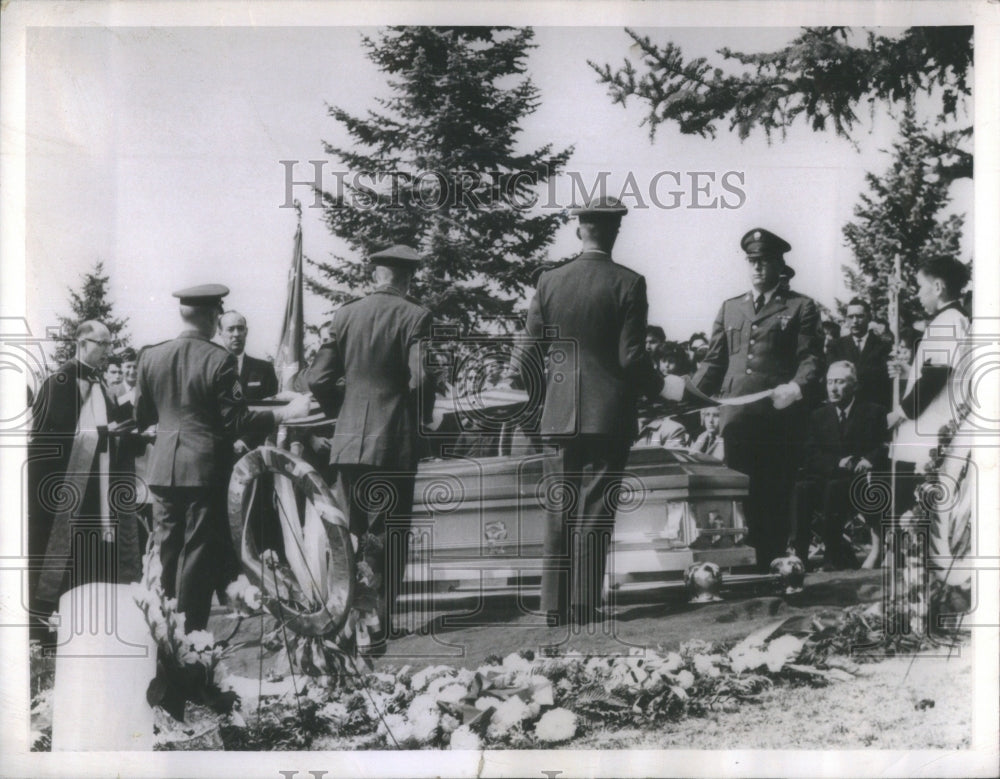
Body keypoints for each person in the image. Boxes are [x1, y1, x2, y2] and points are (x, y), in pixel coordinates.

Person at [513, 197, 687, 627]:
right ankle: (583, 604)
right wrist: (665, 385)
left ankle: (553, 605)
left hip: (558, 414)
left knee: (560, 507)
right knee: (594, 510)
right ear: (615, 233)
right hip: (607, 416)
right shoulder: (629, 283)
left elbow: (526, 358)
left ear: (579, 231)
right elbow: (631, 359)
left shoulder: (549, 282)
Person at [135, 285, 309, 631]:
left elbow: (143, 417)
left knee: (167, 559)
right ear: (215, 317)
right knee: (197, 559)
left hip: (163, 471)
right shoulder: (220, 360)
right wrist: (284, 414)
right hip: (203, 471)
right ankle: (191, 648)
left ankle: (164, 645)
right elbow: (237, 422)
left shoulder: (150, 356)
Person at [291, 245, 435, 652]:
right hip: (393, 441)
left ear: (376, 276)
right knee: (389, 531)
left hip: (350, 441)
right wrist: (420, 418)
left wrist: (348, 409)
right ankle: (378, 624)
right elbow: (421, 380)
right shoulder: (416, 316)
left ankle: (350, 620)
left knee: (352, 531)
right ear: (408, 279)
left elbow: (317, 377)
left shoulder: (345, 314)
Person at [692, 228, 823, 571]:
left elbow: (810, 357)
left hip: (777, 417)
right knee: (739, 491)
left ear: (780, 265)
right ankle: (742, 567)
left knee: (775, 493)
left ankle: (774, 568)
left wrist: (797, 386)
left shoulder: (800, 307)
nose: (758, 267)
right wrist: (689, 394)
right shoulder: (731, 307)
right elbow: (714, 361)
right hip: (737, 418)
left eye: (765, 261)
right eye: (752, 261)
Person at [27, 321, 143, 640]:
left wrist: (130, 434)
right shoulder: (58, 382)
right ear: (82, 342)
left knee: (88, 557)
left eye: (109, 344)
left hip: (95, 488)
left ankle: (82, 624)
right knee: (55, 557)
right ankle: (42, 626)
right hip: (61, 488)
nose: (107, 351)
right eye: (101, 344)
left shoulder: (100, 384)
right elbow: (46, 437)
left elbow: (109, 425)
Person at [887, 256, 971, 513]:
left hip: (929, 433)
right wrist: (909, 371)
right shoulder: (949, 321)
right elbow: (937, 371)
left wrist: (899, 412)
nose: (918, 296)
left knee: (912, 512)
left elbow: (937, 376)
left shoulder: (949, 321)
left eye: (921, 288)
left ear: (938, 287)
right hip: (926, 430)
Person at [789, 361, 887, 570]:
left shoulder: (873, 412)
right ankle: (800, 559)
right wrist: (837, 463)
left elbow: (884, 445)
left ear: (855, 386)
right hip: (827, 476)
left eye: (840, 382)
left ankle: (832, 559)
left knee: (836, 488)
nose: (833, 388)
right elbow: (810, 454)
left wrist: (868, 460)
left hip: (860, 483)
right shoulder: (818, 416)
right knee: (802, 489)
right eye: (830, 382)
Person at [219, 309, 279, 454]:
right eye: (230, 329)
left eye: (240, 328)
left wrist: (246, 441)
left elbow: (271, 412)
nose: (236, 334)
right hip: (218, 450)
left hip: (254, 450)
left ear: (246, 332)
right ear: (220, 333)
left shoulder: (264, 369)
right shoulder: (211, 369)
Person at [827, 298, 892, 408]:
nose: (855, 321)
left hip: (874, 407)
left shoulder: (883, 346)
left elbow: (886, 383)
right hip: (845, 408)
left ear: (869, 318)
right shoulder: (836, 346)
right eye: (850, 317)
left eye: (860, 316)